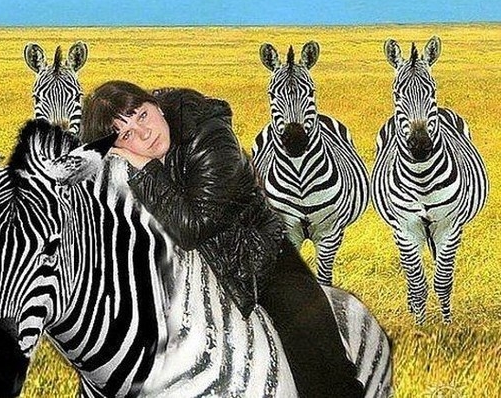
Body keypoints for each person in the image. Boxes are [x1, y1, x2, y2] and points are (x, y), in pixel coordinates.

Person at [81, 81, 364, 398]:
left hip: (254, 257)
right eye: (127, 135)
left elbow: (194, 227)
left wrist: (145, 167)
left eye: (142, 116)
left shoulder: (209, 135)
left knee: (318, 358)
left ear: (156, 105)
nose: (144, 134)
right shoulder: (123, 162)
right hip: (182, 270)